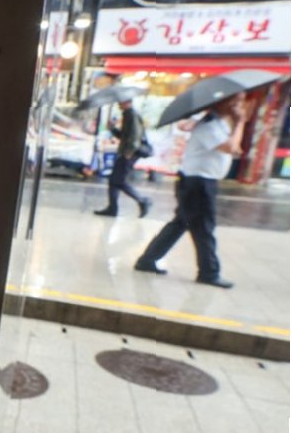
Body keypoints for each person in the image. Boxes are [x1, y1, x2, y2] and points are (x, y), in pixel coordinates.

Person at [134, 93, 247, 288]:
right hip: (199, 183)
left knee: (181, 223)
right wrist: (240, 122)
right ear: (222, 102)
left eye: (241, 101)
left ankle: (147, 260)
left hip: (200, 181)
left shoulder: (218, 124)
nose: (239, 105)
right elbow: (231, 148)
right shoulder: (209, 125)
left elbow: (236, 149)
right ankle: (208, 272)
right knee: (203, 227)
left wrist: (237, 124)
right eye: (235, 100)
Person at [94, 98, 152, 217]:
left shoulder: (131, 114)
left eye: (121, 102)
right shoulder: (127, 114)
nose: (118, 104)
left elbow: (135, 135)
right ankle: (112, 208)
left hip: (129, 152)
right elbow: (125, 136)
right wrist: (113, 128)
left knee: (118, 180)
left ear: (127, 102)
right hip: (127, 151)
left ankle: (142, 201)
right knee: (114, 180)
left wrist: (128, 152)